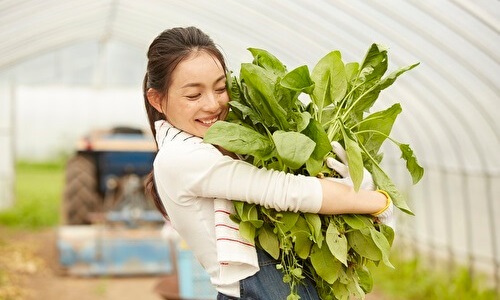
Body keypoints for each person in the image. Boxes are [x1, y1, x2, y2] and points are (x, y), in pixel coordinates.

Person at [142, 26, 393, 299]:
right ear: (157, 99)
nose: (213, 104)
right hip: (260, 289)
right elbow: (283, 190)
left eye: (221, 88)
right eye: (194, 95)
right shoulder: (180, 157)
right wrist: (375, 200)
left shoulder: (221, 141)